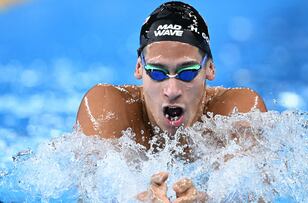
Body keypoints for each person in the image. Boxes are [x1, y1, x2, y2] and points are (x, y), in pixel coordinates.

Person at [76, 1, 267, 202]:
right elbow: (91, 193)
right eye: (158, 73)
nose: (172, 90)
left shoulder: (239, 110)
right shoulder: (108, 108)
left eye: (187, 72)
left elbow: (254, 194)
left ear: (209, 68)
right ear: (139, 68)